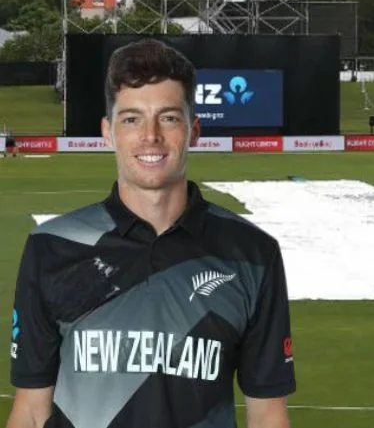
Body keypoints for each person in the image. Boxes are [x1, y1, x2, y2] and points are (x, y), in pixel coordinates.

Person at [7, 38, 296, 428]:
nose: (150, 136)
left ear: (193, 131)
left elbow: (267, 415)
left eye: (169, 117)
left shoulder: (253, 254)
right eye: (131, 119)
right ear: (108, 133)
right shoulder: (52, 247)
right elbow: (30, 410)